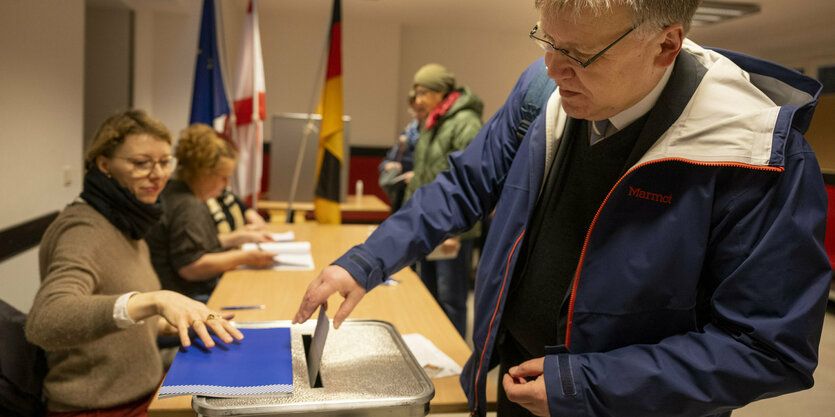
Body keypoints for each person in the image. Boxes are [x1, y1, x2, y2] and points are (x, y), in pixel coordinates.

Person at [293, 1, 832, 416]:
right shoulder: (540, 92)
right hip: (518, 384)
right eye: (547, 40)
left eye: (578, 55)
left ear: (667, 45)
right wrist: (366, 260)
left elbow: (768, 348)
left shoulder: (760, 155)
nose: (552, 68)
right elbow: (464, 184)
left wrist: (585, 385)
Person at [25, 110, 243, 416]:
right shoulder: (83, 229)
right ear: (105, 165)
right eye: (141, 163)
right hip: (98, 408)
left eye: (165, 162)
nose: (158, 174)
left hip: (142, 394)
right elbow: (45, 322)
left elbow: (120, 315)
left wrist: (177, 322)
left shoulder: (127, 221)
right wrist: (154, 300)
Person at [145, 123, 275, 302]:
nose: (227, 185)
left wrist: (236, 237)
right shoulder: (187, 206)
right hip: (188, 297)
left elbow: (191, 244)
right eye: (223, 177)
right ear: (204, 173)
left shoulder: (175, 192)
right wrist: (246, 257)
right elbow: (191, 267)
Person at [406, 63, 483, 338]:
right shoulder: (432, 121)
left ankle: (453, 359)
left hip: (451, 228)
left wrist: (457, 231)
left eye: (423, 93)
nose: (417, 100)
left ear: (441, 93)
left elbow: (470, 179)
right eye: (415, 94)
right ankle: (432, 349)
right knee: (428, 294)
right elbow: (425, 174)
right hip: (428, 223)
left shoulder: (466, 123)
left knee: (451, 298)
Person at [378, 89, 426, 212]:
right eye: (414, 111)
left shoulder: (436, 136)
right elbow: (385, 163)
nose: (417, 116)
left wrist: (418, 177)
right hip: (402, 198)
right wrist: (389, 165)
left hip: (423, 200)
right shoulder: (408, 133)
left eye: (421, 111)